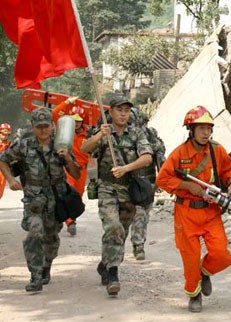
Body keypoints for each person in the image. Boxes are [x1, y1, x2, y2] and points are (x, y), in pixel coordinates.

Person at [156, 105, 231, 313]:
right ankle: (194, 295)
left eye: (208, 129)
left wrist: (230, 183)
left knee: (222, 255)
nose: (205, 133)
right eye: (201, 128)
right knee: (190, 258)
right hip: (186, 213)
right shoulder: (179, 153)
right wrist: (186, 186)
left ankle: (204, 272)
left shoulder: (217, 150)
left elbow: (228, 168)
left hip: (211, 212)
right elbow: (162, 179)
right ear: (190, 130)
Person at [0, 107, 81, 292]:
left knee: (51, 238)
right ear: (32, 126)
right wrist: (11, 180)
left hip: (56, 199)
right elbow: (2, 159)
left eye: (46, 126)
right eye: (39, 126)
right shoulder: (24, 145)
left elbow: (76, 173)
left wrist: (67, 158)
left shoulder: (62, 145)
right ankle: (35, 275)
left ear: (52, 126)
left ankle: (46, 265)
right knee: (34, 234)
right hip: (33, 199)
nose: (43, 130)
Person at [81, 96, 152, 296]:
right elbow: (83, 149)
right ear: (110, 111)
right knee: (112, 227)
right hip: (107, 188)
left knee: (121, 231)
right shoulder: (103, 131)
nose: (123, 114)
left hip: (129, 189)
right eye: (119, 110)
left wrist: (126, 168)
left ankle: (105, 263)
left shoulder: (136, 132)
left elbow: (147, 157)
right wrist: (98, 136)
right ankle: (113, 274)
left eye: (126, 110)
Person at [52, 97, 91, 236]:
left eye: (79, 120)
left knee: (78, 195)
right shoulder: (65, 132)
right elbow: (55, 115)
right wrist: (67, 103)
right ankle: (69, 221)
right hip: (68, 167)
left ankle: (71, 217)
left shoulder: (89, 134)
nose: (76, 123)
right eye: (74, 120)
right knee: (67, 192)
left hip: (82, 169)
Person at [130, 111, 166, 260]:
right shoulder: (128, 136)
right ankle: (137, 245)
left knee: (143, 214)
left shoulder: (152, 138)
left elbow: (160, 159)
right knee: (138, 214)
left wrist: (159, 182)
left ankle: (138, 244)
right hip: (131, 180)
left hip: (147, 182)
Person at [0, 123, 12, 199]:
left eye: (7, 134)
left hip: (3, 169)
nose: (5, 136)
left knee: (1, 186)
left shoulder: (9, 144)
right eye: (3, 134)